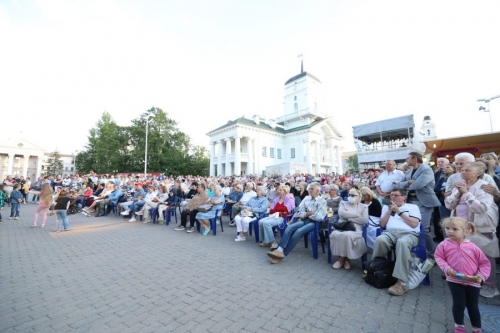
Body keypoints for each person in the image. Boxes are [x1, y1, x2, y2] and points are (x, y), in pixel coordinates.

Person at [444, 162, 499, 298]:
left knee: (485, 256)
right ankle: (468, 280)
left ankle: (490, 286)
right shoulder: (460, 185)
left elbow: (480, 208)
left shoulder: (484, 187)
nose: (463, 172)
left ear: (478, 173)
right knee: (465, 255)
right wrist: (457, 195)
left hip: (479, 227)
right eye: (462, 170)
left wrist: (466, 193)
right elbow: (448, 205)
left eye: (467, 170)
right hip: (460, 228)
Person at [435, 217, 490, 333]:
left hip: (473, 281)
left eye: (455, 229)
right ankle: (459, 326)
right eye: (447, 228)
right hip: (454, 280)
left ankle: (477, 329)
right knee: (459, 304)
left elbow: (484, 263)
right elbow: (438, 257)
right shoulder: (443, 245)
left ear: (466, 232)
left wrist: (481, 276)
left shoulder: (473, 247)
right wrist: (446, 268)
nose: (450, 231)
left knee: (473, 306)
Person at [372, 189, 422, 296]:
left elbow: (414, 224)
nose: (392, 197)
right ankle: (375, 270)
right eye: (391, 195)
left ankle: (402, 282)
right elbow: (382, 224)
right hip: (390, 232)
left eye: (396, 195)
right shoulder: (386, 207)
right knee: (380, 240)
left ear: (404, 197)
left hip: (409, 234)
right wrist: (389, 211)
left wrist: (399, 212)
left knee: (402, 242)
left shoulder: (412, 207)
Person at [267, 182, 327, 264]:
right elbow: (298, 211)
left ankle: (282, 254)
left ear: (317, 190)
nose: (309, 190)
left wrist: (305, 214)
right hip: (304, 220)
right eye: (309, 188)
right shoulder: (307, 198)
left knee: (298, 231)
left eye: (312, 189)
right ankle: (279, 249)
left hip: (314, 223)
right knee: (289, 227)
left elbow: (319, 217)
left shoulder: (322, 201)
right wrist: (308, 213)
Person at [397, 152, 440, 257]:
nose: (406, 160)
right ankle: (419, 250)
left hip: (423, 202)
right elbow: (399, 184)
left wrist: (408, 184)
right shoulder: (409, 171)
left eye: (408, 158)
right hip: (410, 202)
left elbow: (418, 184)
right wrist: (408, 182)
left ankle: (432, 255)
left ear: (415, 159)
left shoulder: (426, 169)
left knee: (423, 228)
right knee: (410, 226)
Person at [330, 188, 369, 269]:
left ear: (359, 197)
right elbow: (341, 214)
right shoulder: (343, 203)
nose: (350, 196)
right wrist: (356, 215)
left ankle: (341, 260)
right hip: (342, 226)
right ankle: (346, 259)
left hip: (355, 228)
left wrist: (349, 218)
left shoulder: (364, 206)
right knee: (335, 234)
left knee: (347, 235)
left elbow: (364, 220)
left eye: (353, 195)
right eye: (349, 195)